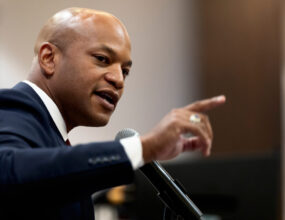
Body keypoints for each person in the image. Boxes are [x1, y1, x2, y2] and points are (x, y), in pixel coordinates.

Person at [0, 7, 226, 220]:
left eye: (125, 71)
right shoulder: (10, 107)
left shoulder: (53, 137)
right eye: (102, 59)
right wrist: (145, 147)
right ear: (49, 58)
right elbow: (8, 173)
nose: (118, 80)